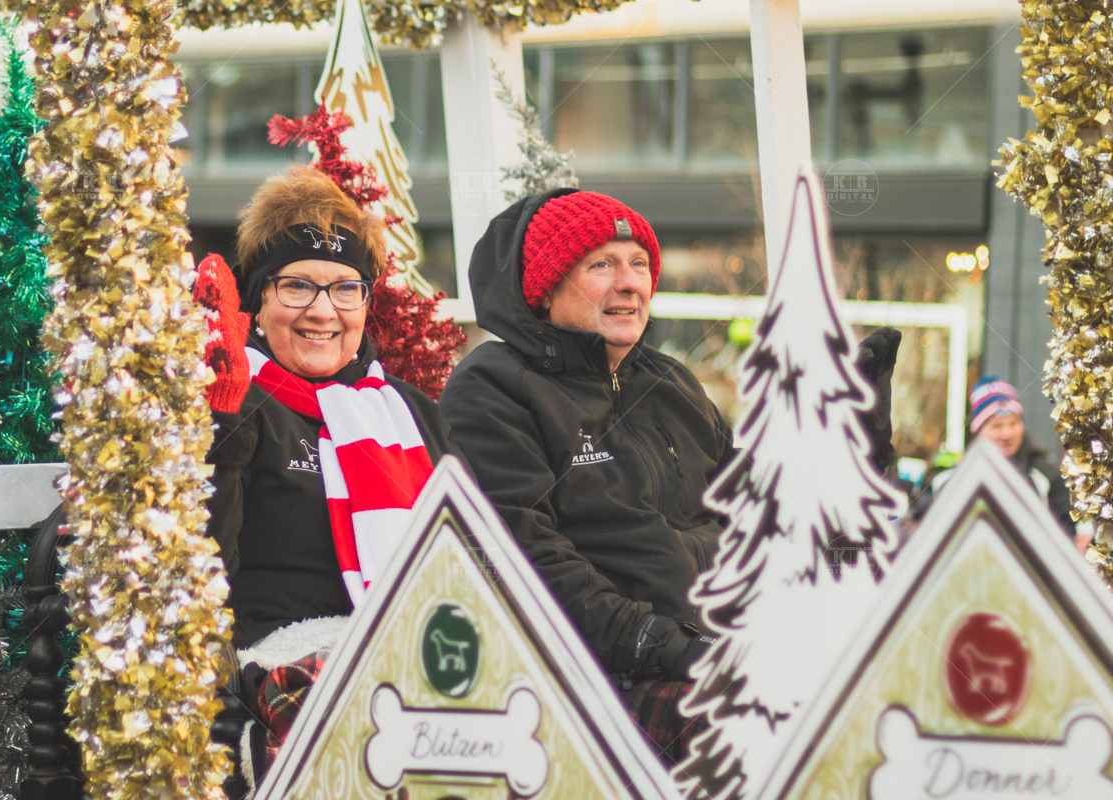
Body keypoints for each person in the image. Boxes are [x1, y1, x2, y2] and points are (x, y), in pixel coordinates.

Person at [437, 189, 901, 761]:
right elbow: (520, 559)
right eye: (601, 265)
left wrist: (850, 449)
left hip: (721, 642)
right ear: (546, 286)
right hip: (594, 677)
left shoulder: (669, 381)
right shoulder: (491, 389)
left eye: (638, 264)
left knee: (892, 703)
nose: (629, 283)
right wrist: (661, 644)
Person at [195, 166, 457, 783]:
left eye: (345, 289)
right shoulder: (234, 399)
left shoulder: (408, 412)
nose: (323, 311)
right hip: (278, 659)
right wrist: (220, 425)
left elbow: (466, 551)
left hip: (408, 650)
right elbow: (200, 570)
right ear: (259, 299)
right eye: (296, 287)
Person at [913, 376, 1081, 547]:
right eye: (997, 426)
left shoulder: (1046, 477)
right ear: (978, 430)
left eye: (1013, 423)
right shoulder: (946, 481)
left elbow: (1068, 537)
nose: (1007, 434)